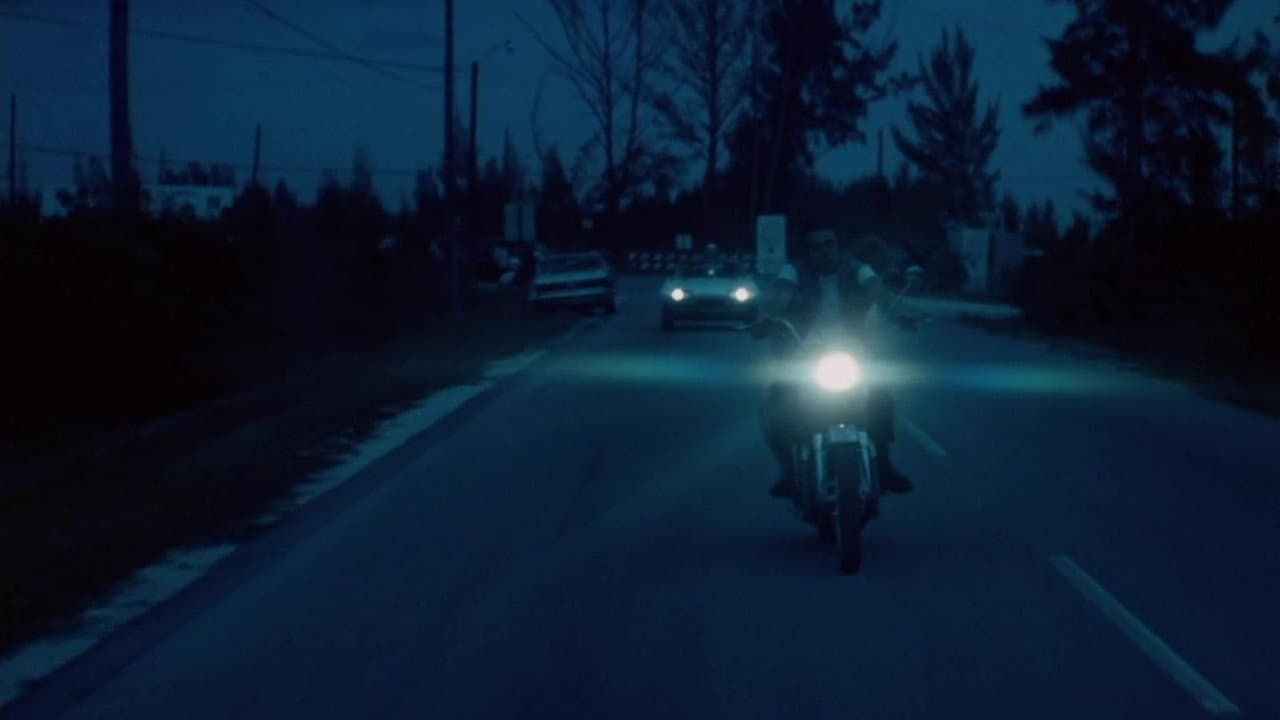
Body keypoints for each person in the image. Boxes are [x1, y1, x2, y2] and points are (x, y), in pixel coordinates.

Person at [760, 229, 914, 498]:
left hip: (853, 349)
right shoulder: (794, 271)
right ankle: (788, 470)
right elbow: (780, 295)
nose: (824, 251)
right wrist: (766, 317)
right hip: (802, 350)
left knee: (881, 396)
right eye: (816, 246)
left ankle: (883, 464)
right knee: (777, 400)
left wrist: (900, 313)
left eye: (829, 244)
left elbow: (877, 290)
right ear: (808, 251)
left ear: (838, 246)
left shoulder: (857, 269)